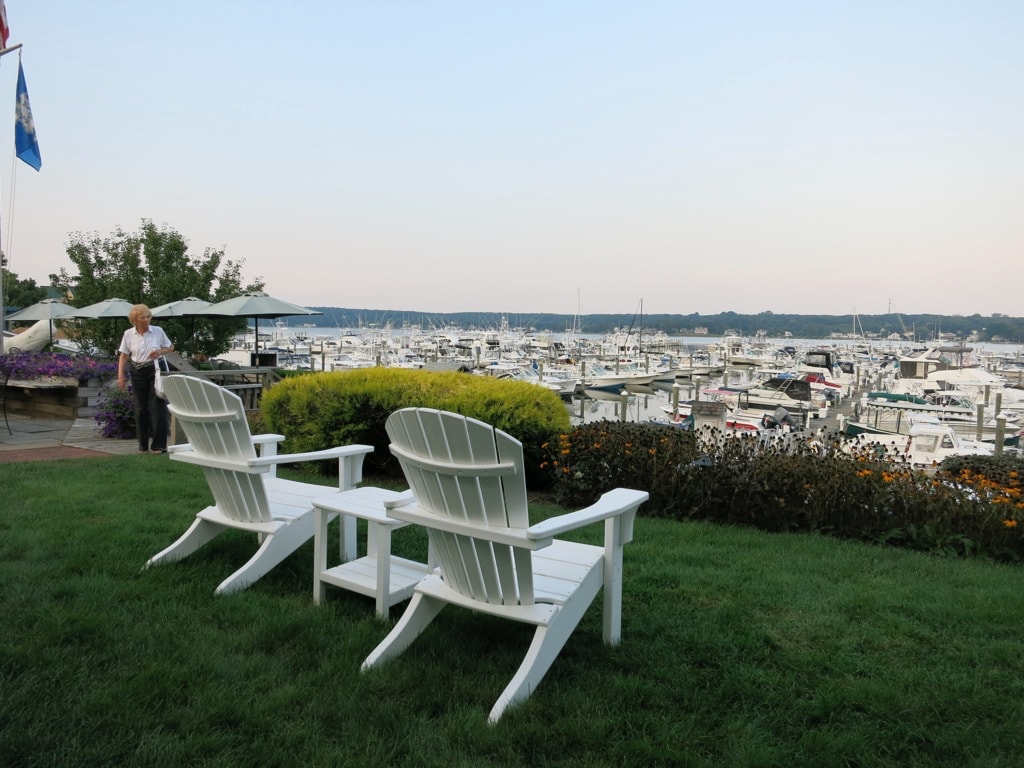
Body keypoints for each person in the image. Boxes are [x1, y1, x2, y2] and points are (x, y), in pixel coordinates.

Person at [117, 304, 175, 454]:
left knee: (158, 406)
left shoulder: (158, 331)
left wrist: (160, 351)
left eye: (148, 317)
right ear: (135, 320)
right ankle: (142, 446)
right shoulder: (128, 334)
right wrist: (120, 376)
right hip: (137, 371)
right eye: (142, 317)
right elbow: (124, 355)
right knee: (140, 408)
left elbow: (170, 347)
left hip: (155, 369)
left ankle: (158, 446)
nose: (146, 320)